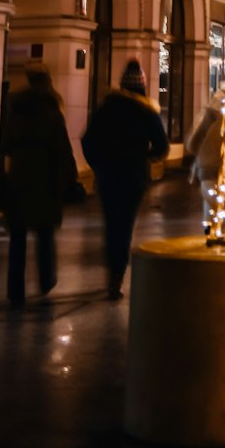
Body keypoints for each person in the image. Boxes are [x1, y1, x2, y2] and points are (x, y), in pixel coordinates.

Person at [82, 60, 169, 299]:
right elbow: (162, 145)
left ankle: (112, 272)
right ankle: (117, 276)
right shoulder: (146, 111)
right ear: (141, 86)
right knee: (125, 224)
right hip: (133, 176)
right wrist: (145, 158)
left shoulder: (105, 108)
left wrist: (98, 165)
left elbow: (87, 141)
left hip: (108, 175)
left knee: (111, 223)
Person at [0, 64, 77, 308]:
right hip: (45, 179)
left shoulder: (16, 110)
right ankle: (46, 279)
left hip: (19, 180)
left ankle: (15, 291)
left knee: (18, 238)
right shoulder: (52, 111)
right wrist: (70, 177)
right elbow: (63, 148)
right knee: (45, 234)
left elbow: (5, 145)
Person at [185, 88, 225, 231]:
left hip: (208, 166)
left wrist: (198, 153)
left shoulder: (211, 114)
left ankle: (211, 232)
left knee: (211, 205)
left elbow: (194, 142)